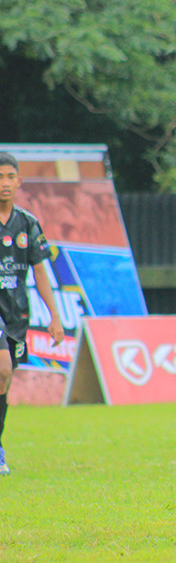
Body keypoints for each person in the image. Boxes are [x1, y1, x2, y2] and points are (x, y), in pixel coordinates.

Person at [0, 152, 64, 475]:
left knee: (4, 379)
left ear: (19, 181)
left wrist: (54, 316)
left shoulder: (27, 223)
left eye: (10, 177)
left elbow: (40, 274)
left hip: (16, 314)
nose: (4, 184)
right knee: (2, 368)